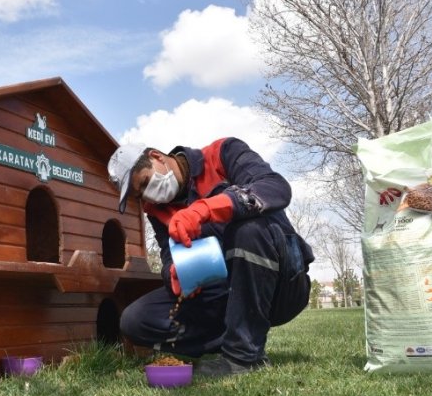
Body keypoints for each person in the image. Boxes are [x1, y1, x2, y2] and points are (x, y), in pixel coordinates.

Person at [108, 137, 314, 377]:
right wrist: (174, 274)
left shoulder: (222, 154)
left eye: (144, 182)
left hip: (283, 282)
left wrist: (205, 210)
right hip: (225, 295)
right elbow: (167, 255)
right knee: (135, 320)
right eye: (140, 195)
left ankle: (244, 358)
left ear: (156, 157)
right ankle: (236, 338)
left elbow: (275, 187)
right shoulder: (156, 211)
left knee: (248, 230)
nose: (149, 196)